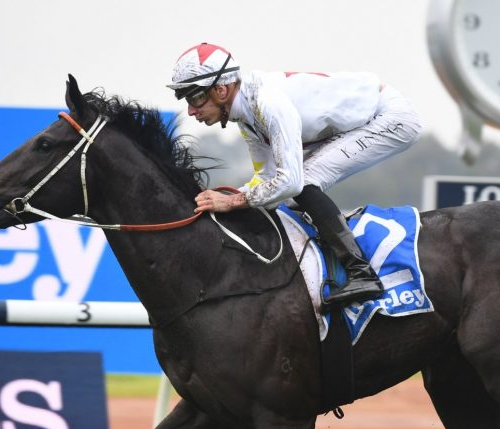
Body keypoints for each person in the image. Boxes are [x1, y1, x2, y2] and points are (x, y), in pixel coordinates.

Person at [167, 42, 423, 307]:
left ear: (221, 90)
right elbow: (266, 179)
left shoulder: (267, 104)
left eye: (195, 98)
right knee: (286, 194)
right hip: (368, 118)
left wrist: (232, 202)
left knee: (303, 181)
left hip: (391, 118)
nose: (191, 110)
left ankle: (362, 273)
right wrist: (222, 199)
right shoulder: (247, 118)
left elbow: (290, 182)